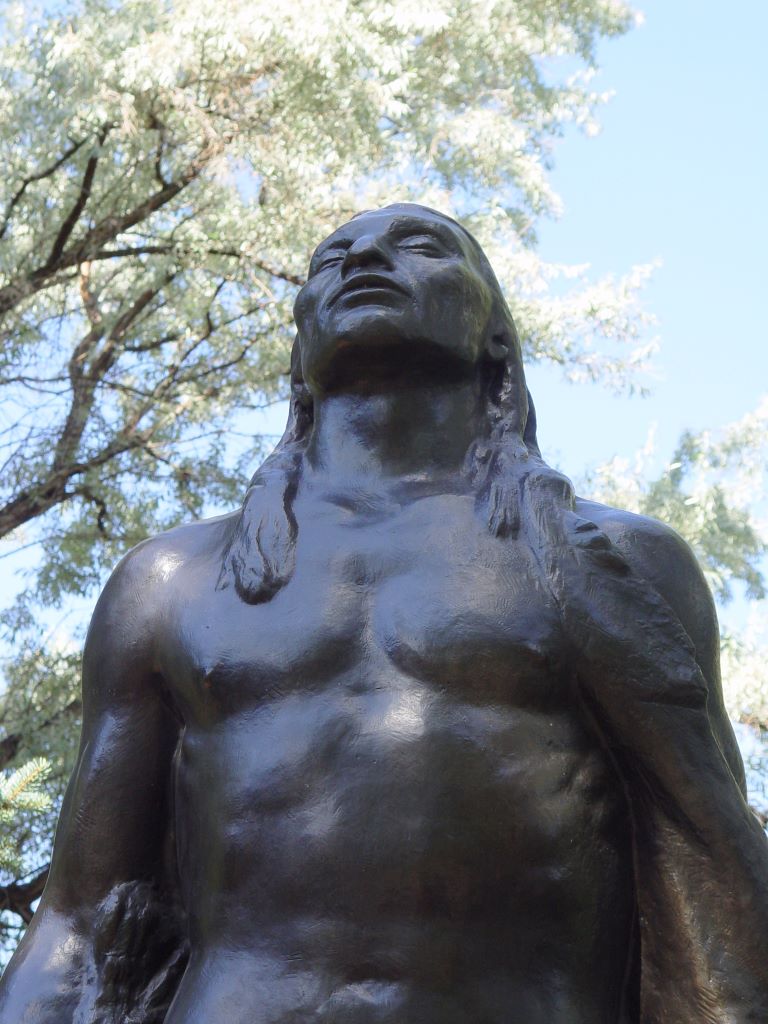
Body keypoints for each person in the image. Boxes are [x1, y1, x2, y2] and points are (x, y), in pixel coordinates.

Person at [1, 203, 766, 1023]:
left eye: (421, 246)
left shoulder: (613, 560)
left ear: (495, 342)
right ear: (299, 358)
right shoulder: (170, 582)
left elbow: (703, 857)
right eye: (332, 258)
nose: (365, 257)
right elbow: (80, 915)